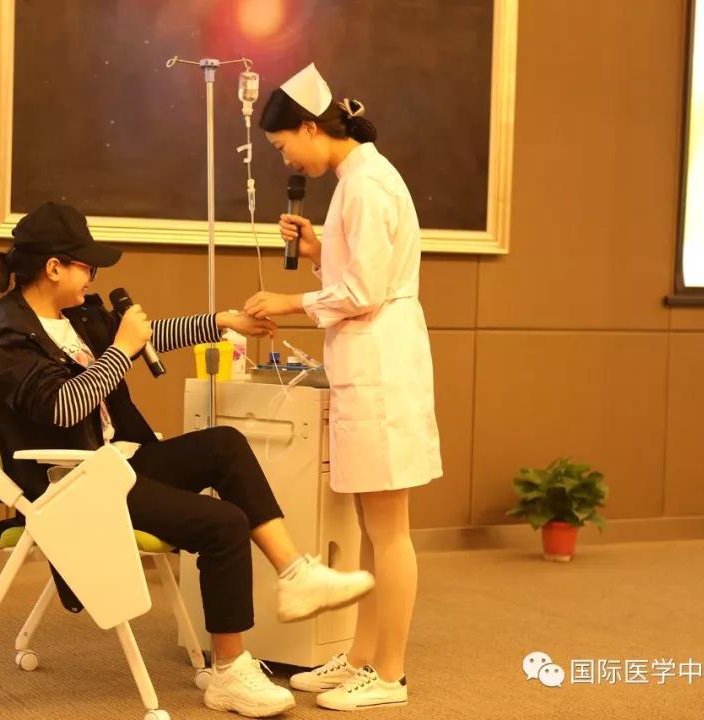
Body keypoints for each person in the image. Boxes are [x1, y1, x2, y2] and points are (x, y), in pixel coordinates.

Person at [0, 201, 375, 717]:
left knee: (224, 444)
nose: (92, 278)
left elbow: (150, 336)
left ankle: (296, 574)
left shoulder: (74, 314)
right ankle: (229, 673)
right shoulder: (8, 335)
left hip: (114, 463)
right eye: (87, 266)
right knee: (222, 523)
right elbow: (61, 407)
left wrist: (221, 321)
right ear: (54, 267)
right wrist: (120, 351)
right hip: (72, 484)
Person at [244, 63, 443, 711]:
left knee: (389, 530)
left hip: (382, 365)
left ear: (310, 128)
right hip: (368, 361)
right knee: (370, 527)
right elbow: (358, 267)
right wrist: (316, 248)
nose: (287, 161)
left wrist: (289, 299)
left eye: (283, 147)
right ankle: (359, 657)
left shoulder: (368, 185)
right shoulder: (356, 181)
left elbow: (364, 290)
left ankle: (389, 675)